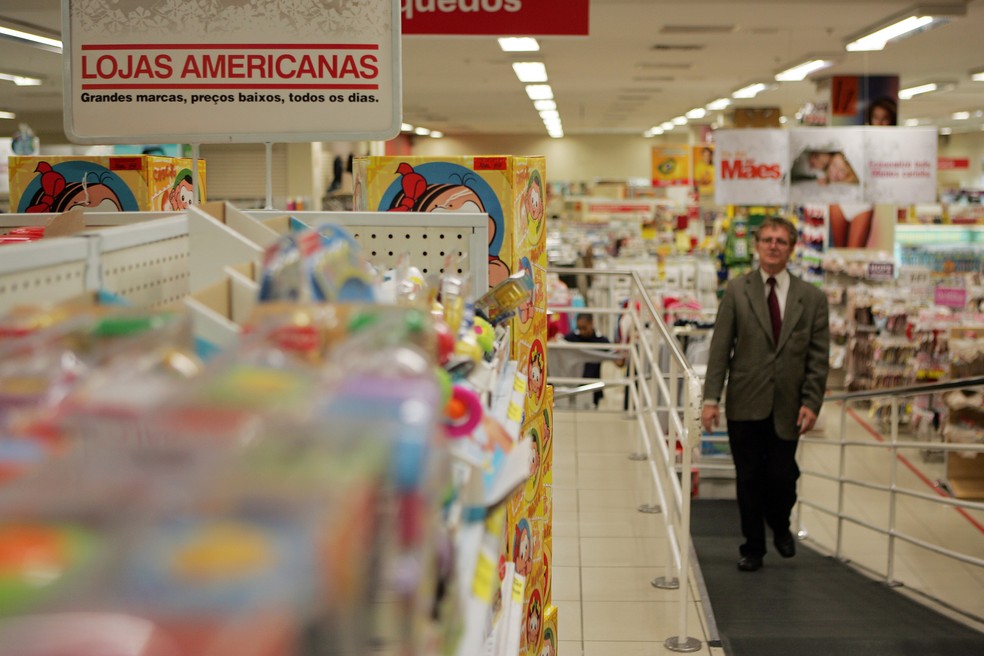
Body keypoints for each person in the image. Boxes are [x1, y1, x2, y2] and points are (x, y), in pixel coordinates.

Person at [701, 216, 830, 572]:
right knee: (748, 478)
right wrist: (711, 399)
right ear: (757, 245)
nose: (774, 246)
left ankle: (780, 522)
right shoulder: (737, 292)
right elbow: (720, 348)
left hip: (789, 405)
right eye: (768, 239)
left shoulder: (812, 298)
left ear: (791, 248)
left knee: (782, 476)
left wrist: (812, 402)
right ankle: (753, 547)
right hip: (744, 400)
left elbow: (819, 357)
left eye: (781, 241)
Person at [564, 314, 611, 407]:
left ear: (591, 323)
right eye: (579, 328)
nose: (581, 331)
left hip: (593, 387)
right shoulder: (571, 338)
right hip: (574, 386)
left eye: (584, 328)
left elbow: (616, 359)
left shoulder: (601, 341)